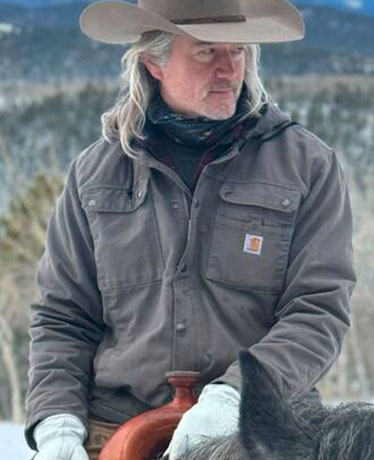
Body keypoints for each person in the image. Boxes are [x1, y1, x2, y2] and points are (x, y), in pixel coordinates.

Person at [25, 1, 356, 459]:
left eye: (238, 51)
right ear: (153, 62)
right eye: (206, 52)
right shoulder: (94, 174)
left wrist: (237, 394)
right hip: (114, 432)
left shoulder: (307, 166)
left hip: (264, 428)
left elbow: (318, 310)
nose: (228, 69)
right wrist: (56, 421)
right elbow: (63, 317)